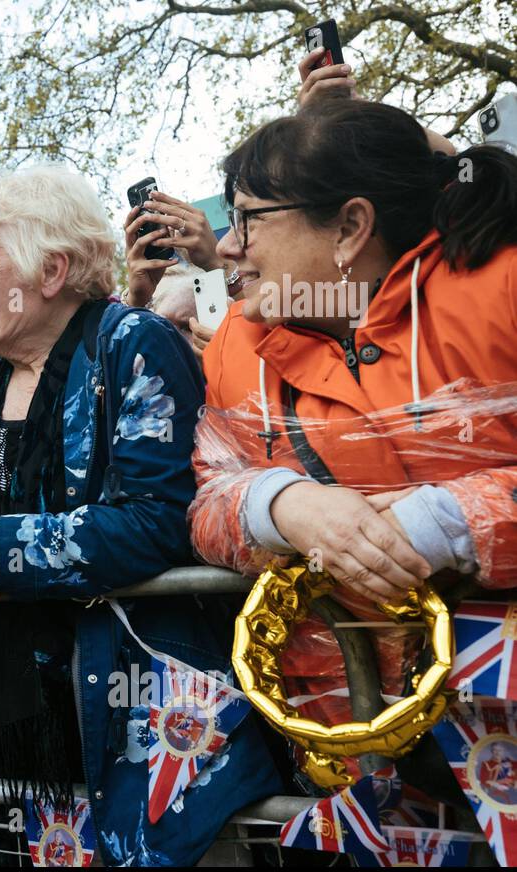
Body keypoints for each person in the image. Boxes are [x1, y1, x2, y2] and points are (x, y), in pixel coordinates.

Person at [0, 166, 280, 866]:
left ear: (51, 270)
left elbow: (161, 520)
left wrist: (8, 548)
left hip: (131, 731)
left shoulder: (132, 345)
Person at [189, 98, 517, 777]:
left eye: (248, 218)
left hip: (496, 716)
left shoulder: (502, 289)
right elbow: (208, 502)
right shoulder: (233, 346)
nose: (226, 245)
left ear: (349, 227)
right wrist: (281, 506)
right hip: (349, 742)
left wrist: (449, 522)